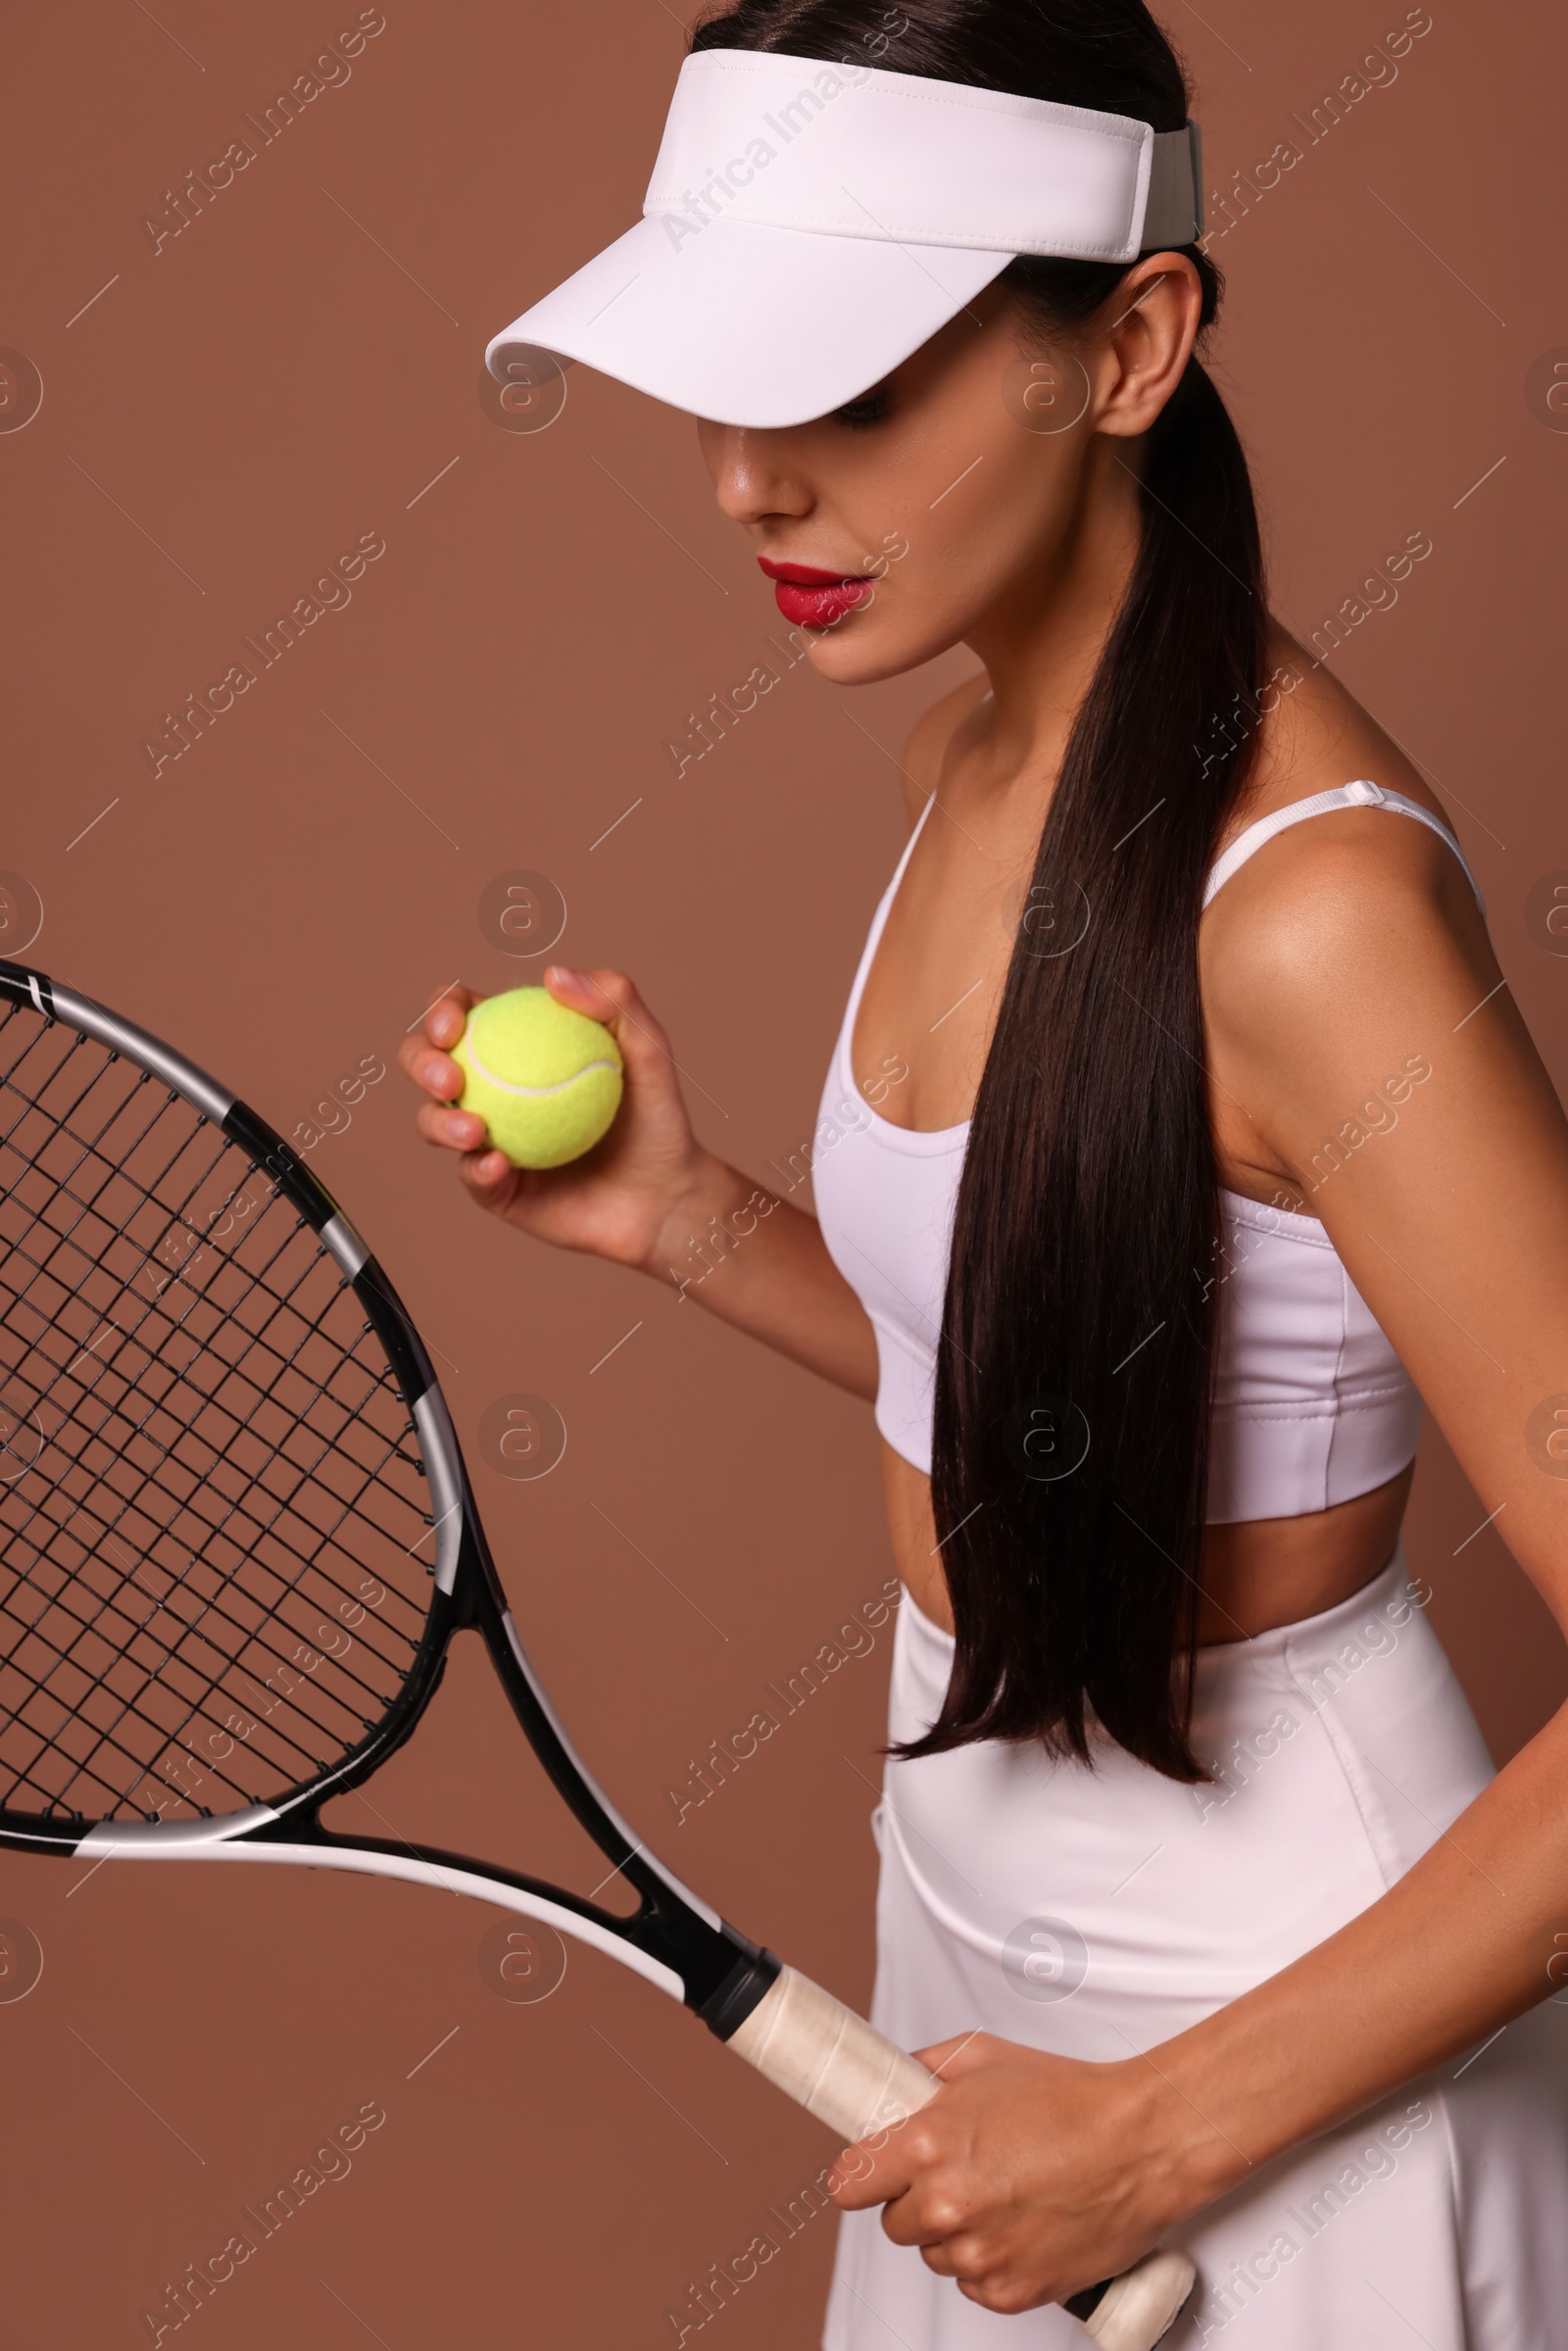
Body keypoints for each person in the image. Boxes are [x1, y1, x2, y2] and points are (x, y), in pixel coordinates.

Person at [406, 4, 1568, 2342]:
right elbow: (1092, 1388)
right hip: (965, 1950)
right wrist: (699, 1218)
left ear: (1128, 344)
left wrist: (1150, 2135)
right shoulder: (981, 740)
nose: (746, 480)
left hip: (1287, 2009)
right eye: (724, 390)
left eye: (846, 389)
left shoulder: (1314, 915)